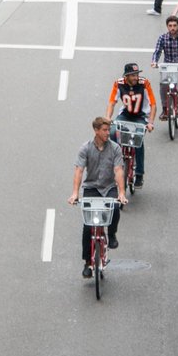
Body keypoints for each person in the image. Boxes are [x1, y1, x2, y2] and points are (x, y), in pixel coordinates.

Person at [68, 117, 128, 279]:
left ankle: (112, 233)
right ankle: (88, 262)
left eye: (109, 130)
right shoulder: (85, 148)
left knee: (115, 208)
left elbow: (118, 170)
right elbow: (79, 170)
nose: (108, 133)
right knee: (88, 227)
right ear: (96, 130)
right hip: (92, 188)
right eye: (104, 130)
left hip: (109, 188)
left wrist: (121, 193)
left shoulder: (115, 148)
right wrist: (75, 193)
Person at [106, 63, 156, 186]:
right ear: (126, 76)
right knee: (112, 133)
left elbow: (153, 104)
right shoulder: (119, 83)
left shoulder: (144, 83)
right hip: (125, 114)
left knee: (138, 140)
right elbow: (112, 102)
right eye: (133, 75)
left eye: (137, 74)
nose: (136, 77)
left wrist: (150, 122)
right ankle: (116, 160)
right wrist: (107, 118)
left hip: (140, 116)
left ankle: (139, 173)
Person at [151, 15, 178, 118]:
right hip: (168, 66)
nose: (172, 28)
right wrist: (154, 61)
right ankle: (165, 109)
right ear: (167, 26)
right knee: (163, 85)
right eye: (170, 25)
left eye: (174, 25)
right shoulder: (162, 38)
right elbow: (157, 51)